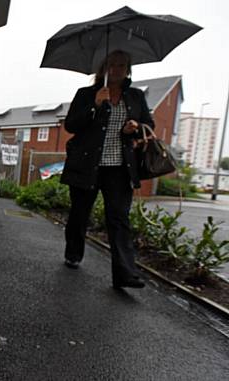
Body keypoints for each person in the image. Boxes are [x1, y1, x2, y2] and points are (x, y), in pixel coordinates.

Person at [60, 50, 153, 289]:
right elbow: (71, 125)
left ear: (128, 68)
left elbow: (148, 124)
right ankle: (73, 254)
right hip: (87, 165)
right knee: (80, 214)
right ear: (103, 68)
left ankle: (125, 273)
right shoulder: (86, 94)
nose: (117, 69)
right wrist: (95, 106)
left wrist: (136, 125)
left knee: (119, 218)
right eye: (112, 65)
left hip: (120, 168)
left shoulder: (135, 96)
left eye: (122, 65)